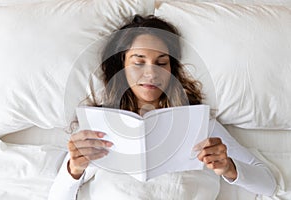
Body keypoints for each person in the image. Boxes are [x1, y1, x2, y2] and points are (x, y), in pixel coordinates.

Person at [49, 15, 277, 200]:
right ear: (121, 66)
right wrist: (74, 169)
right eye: (138, 62)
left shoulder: (200, 125)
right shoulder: (98, 126)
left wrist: (228, 167)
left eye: (161, 63)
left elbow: (268, 185)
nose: (151, 73)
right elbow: (57, 197)